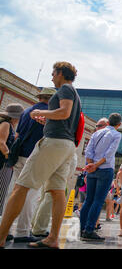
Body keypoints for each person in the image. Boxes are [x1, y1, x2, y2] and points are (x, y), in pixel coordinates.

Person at [0, 62, 81, 249]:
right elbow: (66, 118)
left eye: (53, 73)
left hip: (53, 143)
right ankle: (52, 238)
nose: (52, 77)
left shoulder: (65, 90)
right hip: (67, 145)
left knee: (20, 187)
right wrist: (47, 119)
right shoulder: (74, 92)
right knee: (57, 190)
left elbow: (64, 112)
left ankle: (2, 236)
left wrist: (40, 111)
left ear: (61, 73)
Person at [3, 89, 55, 243]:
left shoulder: (26, 111)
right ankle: (22, 231)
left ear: (39, 97)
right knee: (31, 195)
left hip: (19, 155)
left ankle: (5, 229)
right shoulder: (50, 113)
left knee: (15, 193)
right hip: (34, 156)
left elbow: (18, 134)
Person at [80, 112, 122, 241]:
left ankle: (82, 229)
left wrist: (90, 165)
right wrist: (96, 165)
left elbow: (88, 151)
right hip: (104, 169)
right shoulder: (116, 134)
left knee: (88, 200)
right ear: (119, 125)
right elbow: (109, 153)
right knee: (98, 201)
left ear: (108, 122)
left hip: (92, 169)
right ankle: (89, 229)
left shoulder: (96, 133)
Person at [0, 103, 25, 229]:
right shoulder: (6, 124)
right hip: (3, 164)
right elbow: (1, 143)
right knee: (2, 193)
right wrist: (8, 157)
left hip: (4, 163)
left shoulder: (7, 125)